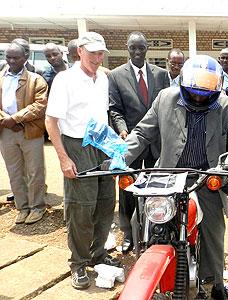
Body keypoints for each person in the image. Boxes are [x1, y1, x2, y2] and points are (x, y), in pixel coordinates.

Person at [120, 55, 228, 299]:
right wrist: (120, 156)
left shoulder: (227, 106)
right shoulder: (166, 98)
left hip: (206, 177)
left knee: (214, 230)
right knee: (138, 219)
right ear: (183, 85)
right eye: (194, 93)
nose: (199, 98)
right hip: (168, 175)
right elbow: (143, 133)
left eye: (205, 95)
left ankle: (215, 283)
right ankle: (146, 269)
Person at [45, 32, 119, 290]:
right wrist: (64, 158)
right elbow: (51, 122)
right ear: (80, 51)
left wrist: (114, 145)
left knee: (106, 203)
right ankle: (78, 262)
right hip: (77, 147)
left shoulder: (103, 79)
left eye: (101, 53)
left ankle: (98, 254)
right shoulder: (65, 80)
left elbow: (103, 115)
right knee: (81, 208)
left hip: (101, 145)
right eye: (93, 53)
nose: (98, 58)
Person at [108, 31, 169, 253]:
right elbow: (115, 109)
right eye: (132, 48)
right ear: (127, 48)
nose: (136, 52)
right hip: (131, 141)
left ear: (147, 49)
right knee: (127, 189)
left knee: (157, 188)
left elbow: (167, 107)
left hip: (156, 142)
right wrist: (123, 130)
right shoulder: (115, 75)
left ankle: (156, 228)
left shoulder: (161, 75)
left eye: (140, 48)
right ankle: (128, 233)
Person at [0, 42, 48, 224]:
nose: (11, 61)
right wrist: (8, 120)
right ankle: (22, 207)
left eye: (15, 57)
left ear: (25, 58)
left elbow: (39, 105)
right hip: (6, 131)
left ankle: (37, 208)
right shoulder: (1, 78)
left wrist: (16, 119)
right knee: (14, 171)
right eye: (8, 57)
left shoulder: (36, 80)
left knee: (35, 171)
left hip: (29, 131)